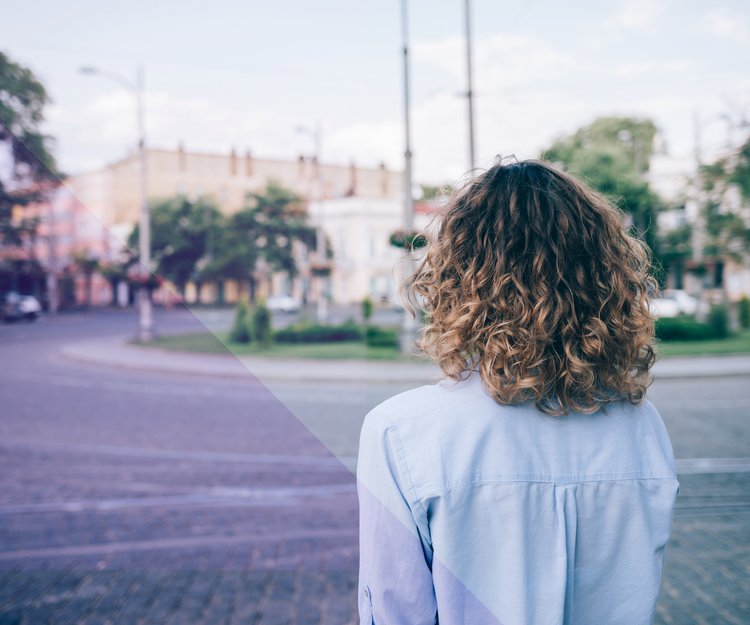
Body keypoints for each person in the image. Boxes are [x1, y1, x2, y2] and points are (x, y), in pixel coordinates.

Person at [356, 159, 679, 625]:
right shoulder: (642, 425)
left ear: (454, 277)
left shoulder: (399, 433)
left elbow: (395, 610)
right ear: (603, 274)